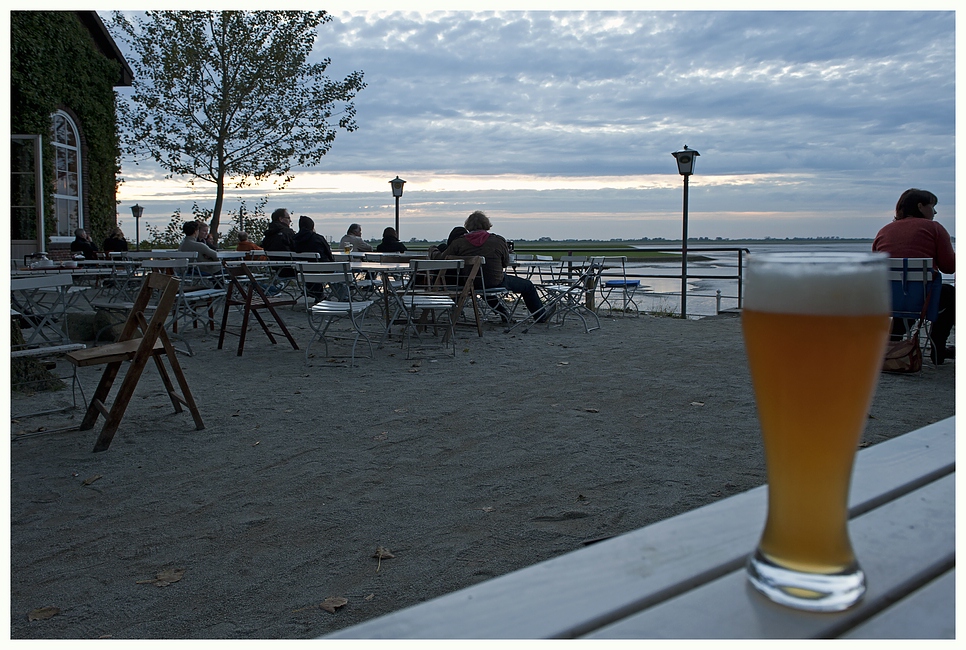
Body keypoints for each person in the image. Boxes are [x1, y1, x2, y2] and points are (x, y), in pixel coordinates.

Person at [873, 188, 956, 364]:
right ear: (920, 206)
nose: (934, 211)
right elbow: (949, 267)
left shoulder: (884, 231)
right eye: (932, 206)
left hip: (889, 301)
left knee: (907, 288)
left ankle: (893, 343)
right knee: (951, 295)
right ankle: (937, 346)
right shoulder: (934, 228)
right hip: (923, 301)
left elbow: (875, 267)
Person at [443, 211, 551, 323]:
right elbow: (505, 263)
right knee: (528, 286)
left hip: (470, 282)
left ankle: (503, 312)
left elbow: (443, 259)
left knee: (482, 286)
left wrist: (434, 250)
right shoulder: (498, 241)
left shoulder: (459, 242)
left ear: (468, 225)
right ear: (487, 224)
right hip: (495, 281)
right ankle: (540, 316)